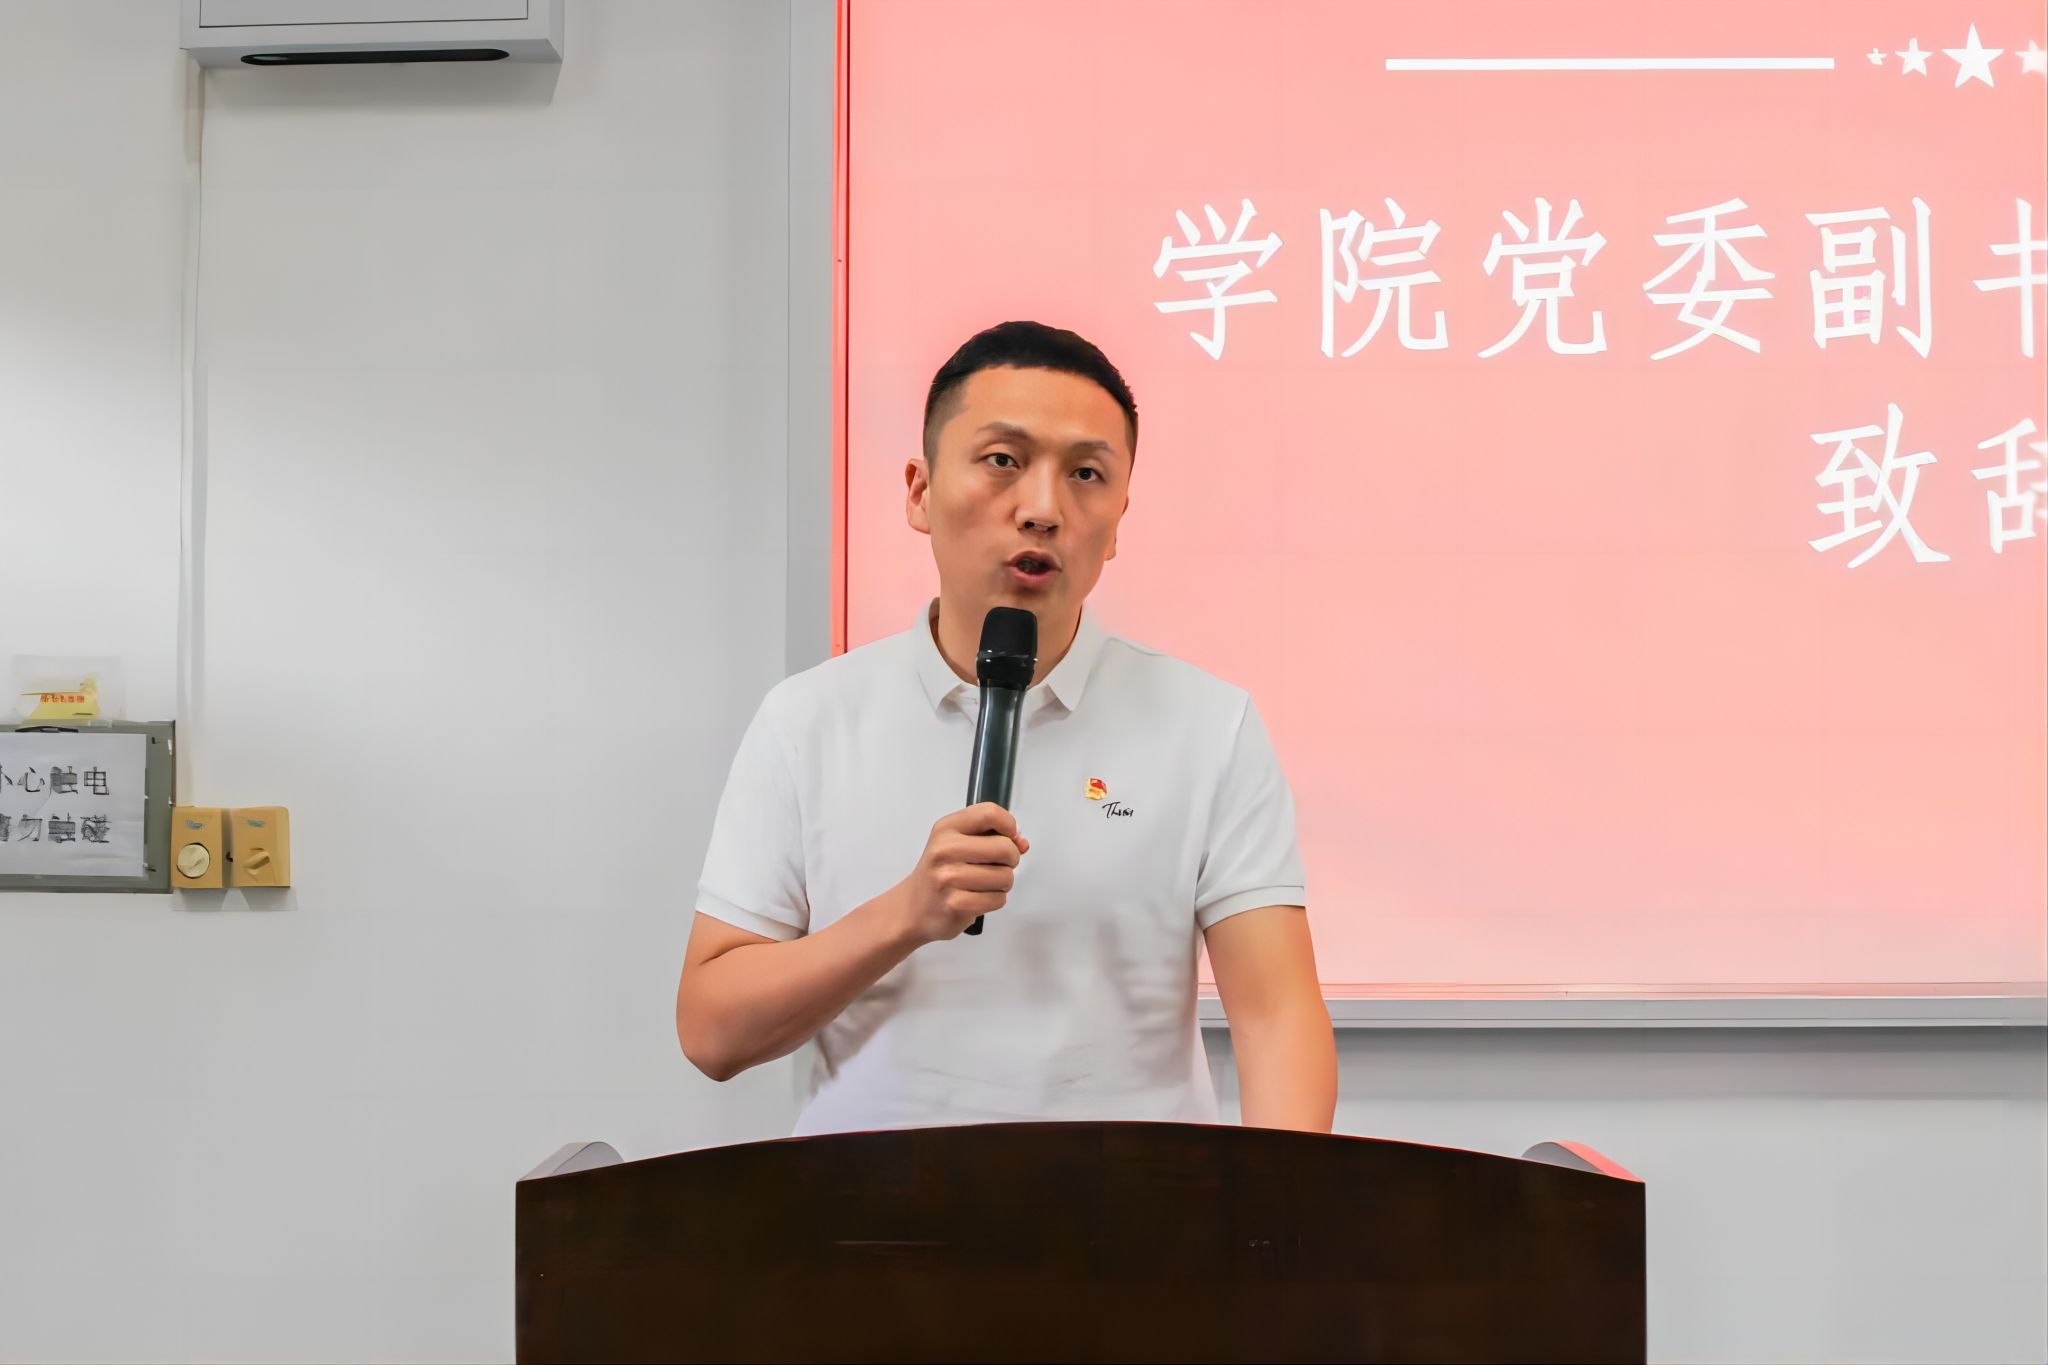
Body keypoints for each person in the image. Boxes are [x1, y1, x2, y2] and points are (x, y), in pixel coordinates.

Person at [675, 320, 1336, 1136]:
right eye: (1002, 460)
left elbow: (1276, 1019)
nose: (1044, 509)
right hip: (865, 1209)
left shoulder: (1209, 725)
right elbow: (712, 1031)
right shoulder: (808, 721)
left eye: (1086, 474)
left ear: (1119, 520)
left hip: (1136, 1209)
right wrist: (907, 913)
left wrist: (1277, 1212)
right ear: (919, 491)